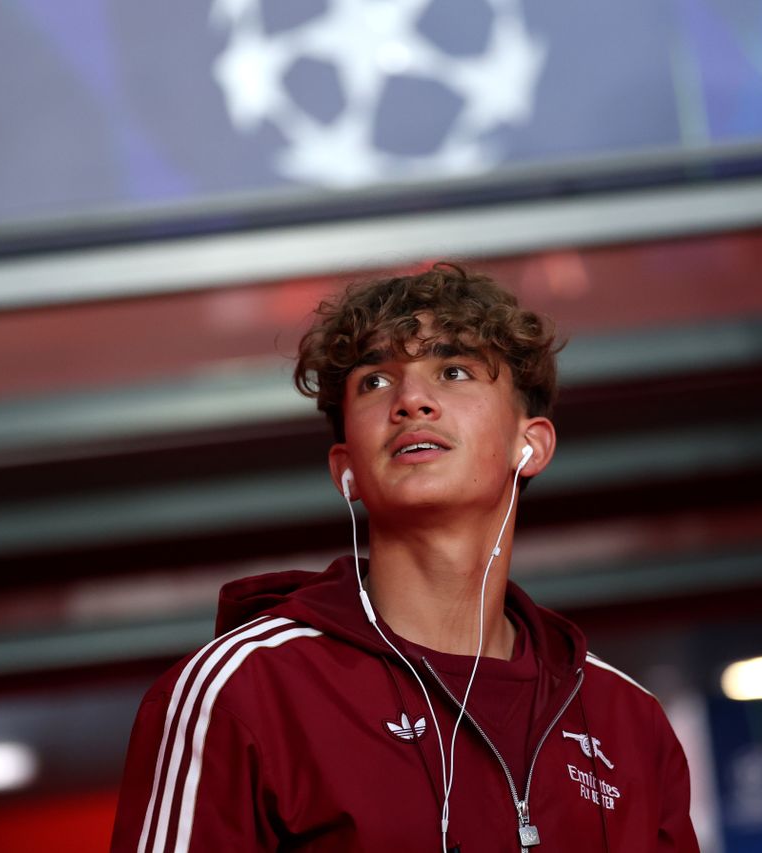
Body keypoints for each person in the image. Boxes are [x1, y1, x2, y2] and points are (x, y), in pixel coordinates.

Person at [110, 263, 699, 852]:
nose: (411, 400)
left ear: (531, 445)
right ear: (346, 469)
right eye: (375, 381)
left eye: (453, 371)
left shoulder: (628, 719)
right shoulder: (241, 691)